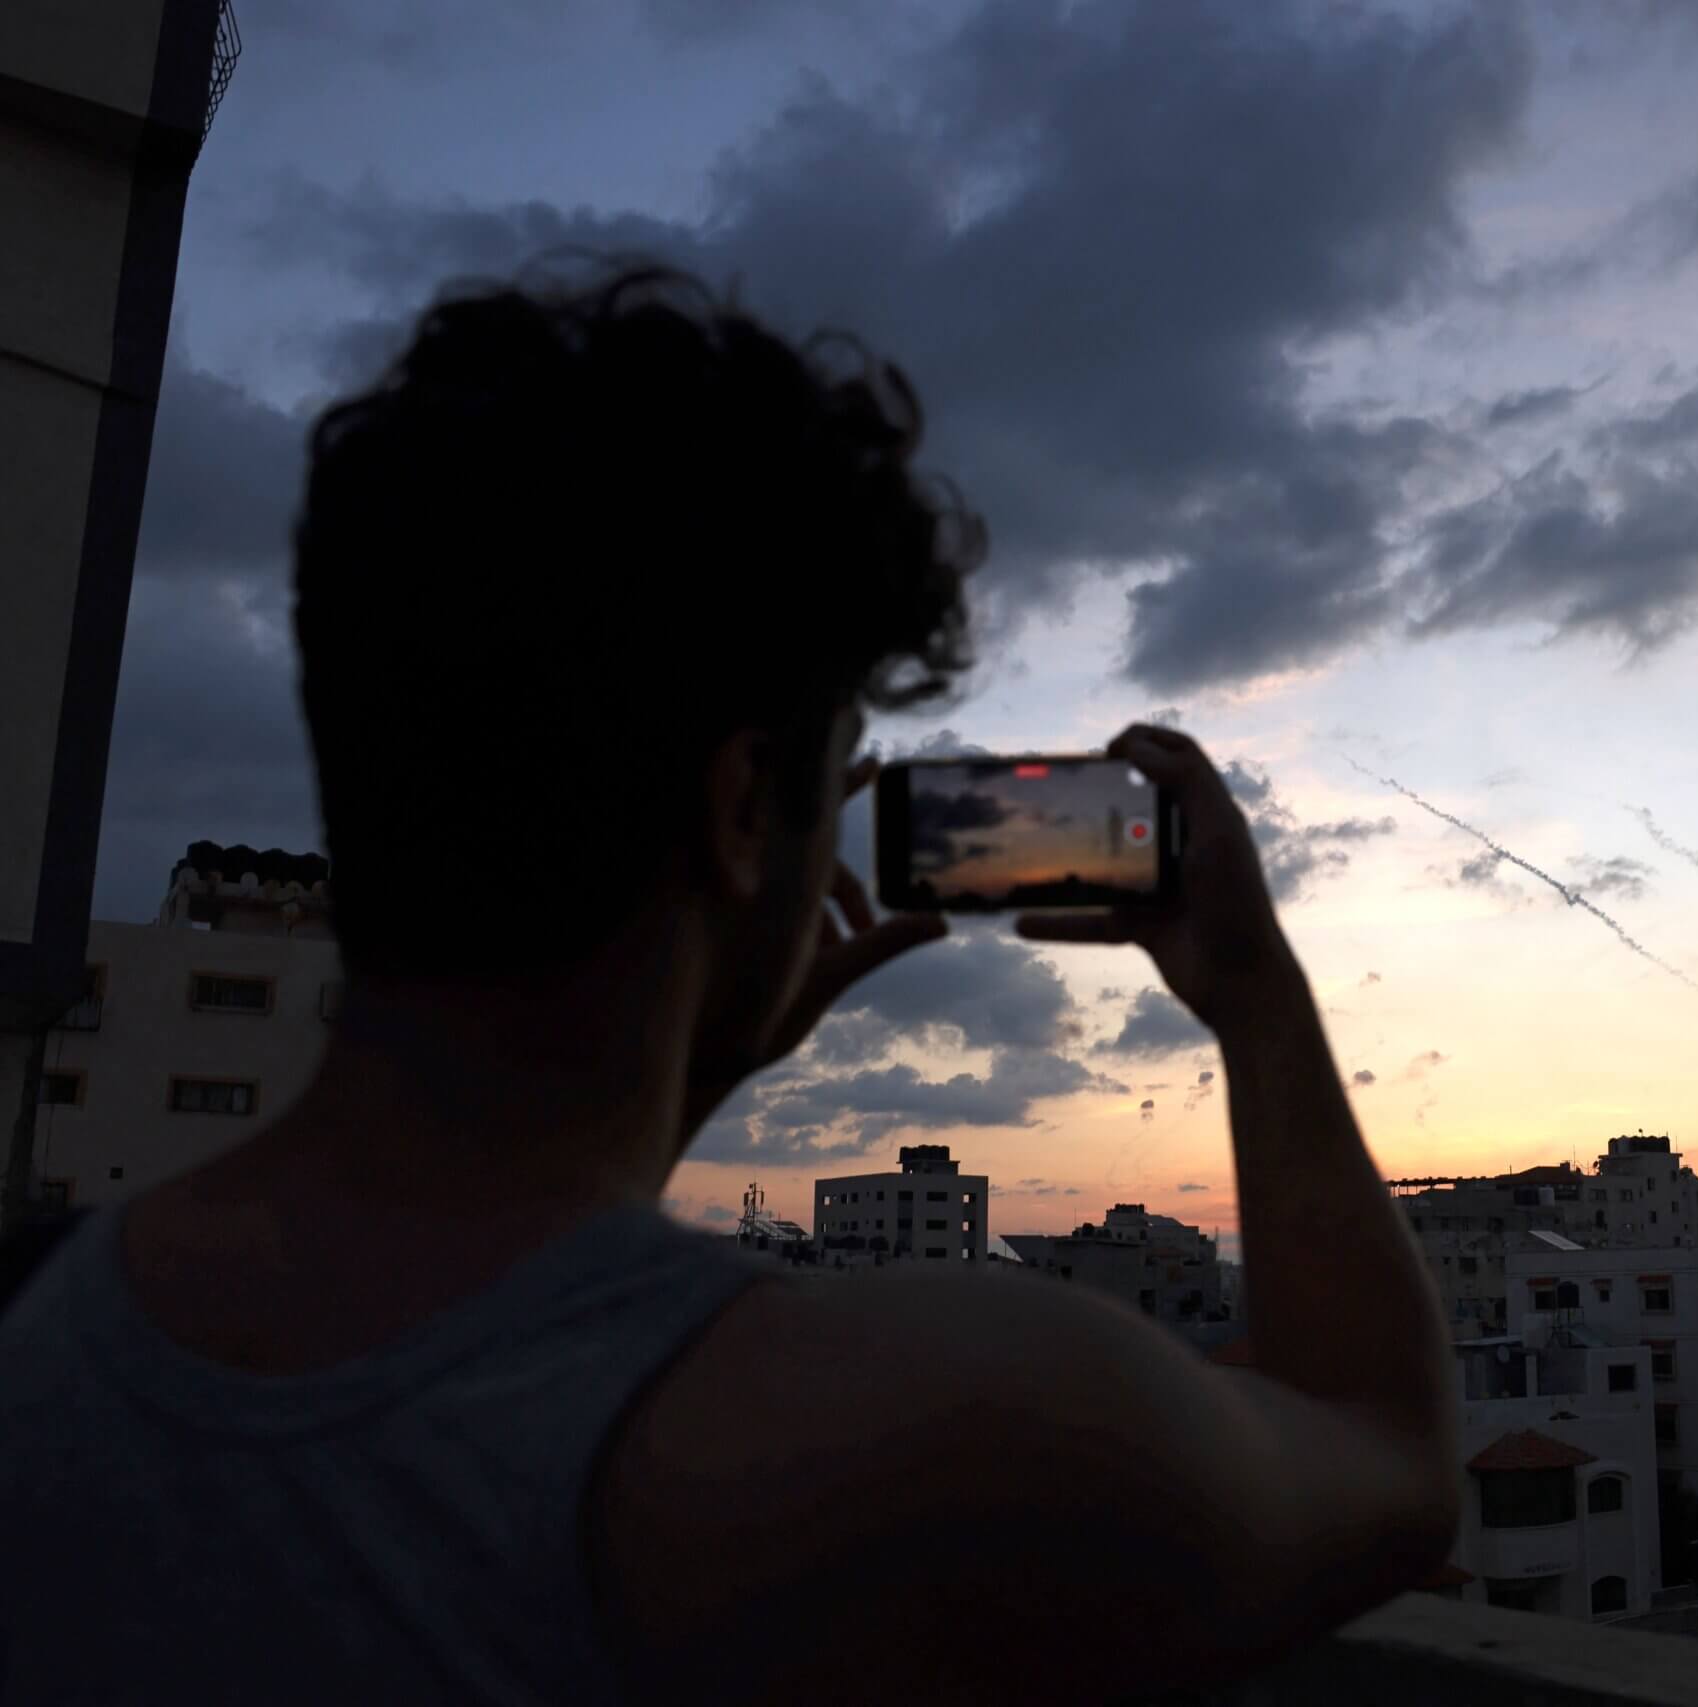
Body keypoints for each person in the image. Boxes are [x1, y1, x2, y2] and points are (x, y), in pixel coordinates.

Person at [0, 263, 1458, 1704]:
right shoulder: (930, 1423)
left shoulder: (55, 1344)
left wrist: (686, 1061)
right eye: (833, 781)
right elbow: (1386, 1451)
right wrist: (1255, 994)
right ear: (746, 806)